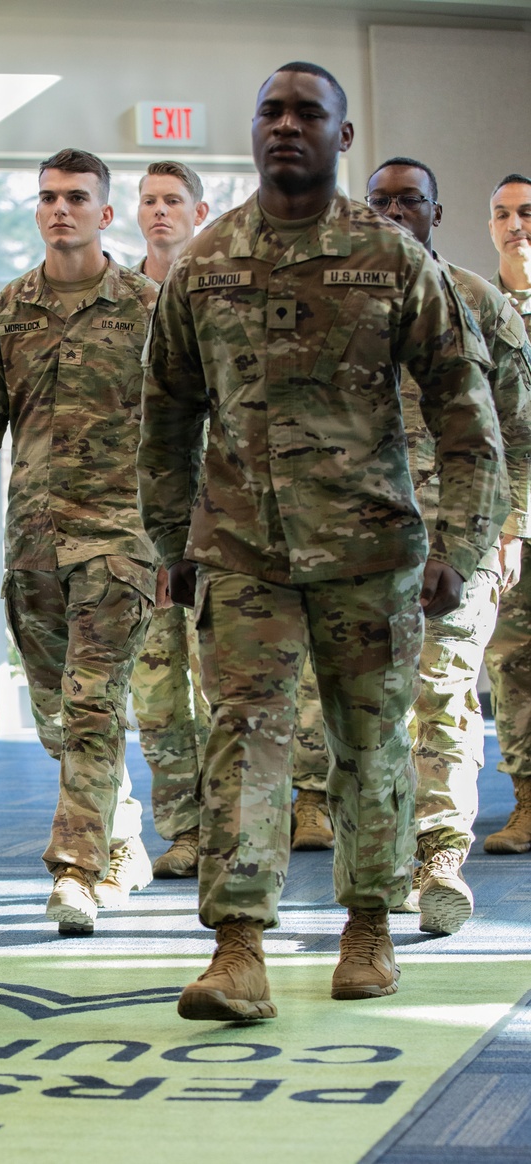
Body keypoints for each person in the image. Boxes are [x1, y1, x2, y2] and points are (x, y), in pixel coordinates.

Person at [139, 63, 508, 1022]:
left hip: (370, 553)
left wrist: (458, 548)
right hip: (243, 552)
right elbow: (166, 414)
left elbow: (468, 421)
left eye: (310, 113)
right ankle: (238, 948)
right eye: (272, 111)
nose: (287, 126)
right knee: (246, 744)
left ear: (342, 138)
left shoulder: (391, 261)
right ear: (251, 131)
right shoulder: (207, 264)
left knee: (370, 744)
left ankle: (370, 928)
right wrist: (171, 539)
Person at [293, 158, 531, 934]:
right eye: (381, 200)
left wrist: (510, 526)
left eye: (410, 200)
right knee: (367, 714)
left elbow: (519, 433)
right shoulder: (334, 305)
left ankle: (439, 857)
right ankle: (382, 858)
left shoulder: (479, 303)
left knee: (445, 697)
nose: (395, 212)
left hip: (456, 542)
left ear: (437, 211)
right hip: (358, 547)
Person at [0, 148, 157, 934]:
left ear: (107, 214)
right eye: (46, 198)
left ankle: (73, 870)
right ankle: (123, 837)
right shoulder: (4, 315)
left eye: (76, 197)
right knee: (59, 720)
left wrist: (183, 536)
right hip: (33, 542)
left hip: (121, 540)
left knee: (93, 702)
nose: (59, 209)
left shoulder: (148, 307)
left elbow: (186, 427)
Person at [129, 161, 211, 878]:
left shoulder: (223, 295)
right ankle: (183, 829)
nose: (160, 212)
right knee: (155, 693)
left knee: (222, 685)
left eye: (173, 201)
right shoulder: (118, 302)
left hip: (218, 527)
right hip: (137, 528)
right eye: (149, 201)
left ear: (200, 210)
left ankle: (234, 825)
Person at [483, 173, 531, 855]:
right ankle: (527, 801)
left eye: (525, 212)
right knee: (514, 661)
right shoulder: (479, 307)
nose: (515, 223)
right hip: (508, 513)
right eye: (501, 214)